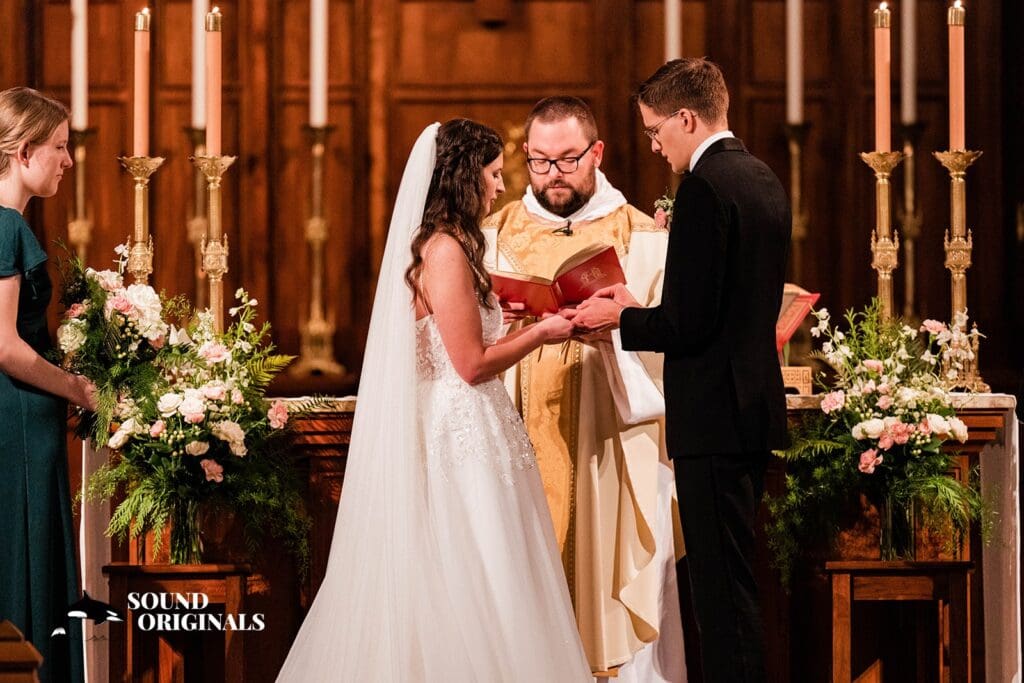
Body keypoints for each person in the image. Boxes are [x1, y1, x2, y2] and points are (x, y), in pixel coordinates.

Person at [277, 119, 591, 682]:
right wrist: (542, 333)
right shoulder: (445, 250)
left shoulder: (453, 246)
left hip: (474, 424)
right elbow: (469, 365)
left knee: (493, 566)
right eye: (494, 175)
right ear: (466, 177)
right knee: (475, 567)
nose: (501, 187)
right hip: (461, 429)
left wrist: (516, 317)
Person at [573, 59, 791, 682]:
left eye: (655, 130)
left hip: (713, 420)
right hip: (750, 412)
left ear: (687, 118)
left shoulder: (705, 186)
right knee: (735, 585)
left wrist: (623, 316)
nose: (653, 144)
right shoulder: (760, 177)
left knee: (721, 600)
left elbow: (688, 323)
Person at [482, 96, 686, 680]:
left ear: (596, 153)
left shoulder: (641, 234)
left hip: (611, 443)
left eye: (568, 160)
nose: (553, 176)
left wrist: (623, 323)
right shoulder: (492, 235)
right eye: (540, 162)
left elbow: (673, 345)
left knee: (608, 577)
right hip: (520, 431)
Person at [0, 87, 97, 683]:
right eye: (59, 147)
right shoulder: (6, 226)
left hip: (24, 421)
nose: (67, 160)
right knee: (24, 560)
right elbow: (6, 346)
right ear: (25, 148)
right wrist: (78, 388)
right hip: (18, 421)